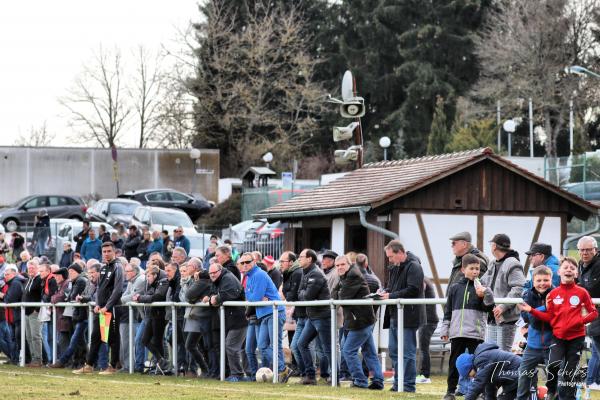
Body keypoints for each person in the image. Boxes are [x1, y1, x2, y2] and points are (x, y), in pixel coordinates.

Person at [519, 257, 598, 400]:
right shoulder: (552, 294)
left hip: (575, 338)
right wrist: (531, 310)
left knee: (568, 372)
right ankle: (551, 392)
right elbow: (549, 317)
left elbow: (593, 312)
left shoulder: (581, 292)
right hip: (554, 339)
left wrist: (580, 321)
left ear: (576, 273)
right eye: (565, 267)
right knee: (551, 368)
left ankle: (566, 396)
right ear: (559, 271)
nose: (569, 269)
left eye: (572, 268)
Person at [440, 254, 491, 400]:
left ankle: (480, 392)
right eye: (472, 268)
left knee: (478, 363)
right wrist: (445, 329)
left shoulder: (483, 288)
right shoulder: (455, 288)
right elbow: (448, 311)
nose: (475, 271)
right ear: (463, 269)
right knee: (454, 363)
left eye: (478, 269)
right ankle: (450, 391)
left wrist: (483, 297)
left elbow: (489, 308)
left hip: (475, 333)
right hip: (457, 333)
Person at [332, 254, 384, 390]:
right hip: (359, 320)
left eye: (342, 264)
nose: (340, 267)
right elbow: (334, 293)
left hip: (360, 321)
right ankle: (378, 381)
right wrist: (339, 291)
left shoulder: (353, 275)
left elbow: (342, 297)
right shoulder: (345, 276)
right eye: (337, 266)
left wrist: (339, 291)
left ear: (349, 264)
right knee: (369, 352)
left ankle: (360, 381)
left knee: (348, 351)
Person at [379, 239, 425, 392]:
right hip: (394, 315)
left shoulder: (414, 266)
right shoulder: (395, 267)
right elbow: (392, 287)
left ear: (400, 253)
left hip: (409, 316)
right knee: (393, 351)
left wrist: (390, 296)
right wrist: (384, 292)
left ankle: (408, 385)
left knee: (407, 352)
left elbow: (413, 289)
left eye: (391, 257)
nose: (389, 260)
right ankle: (398, 383)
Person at [240, 252, 292, 383]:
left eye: (248, 262)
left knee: (275, 345)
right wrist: (253, 297)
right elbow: (249, 297)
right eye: (242, 263)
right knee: (262, 346)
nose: (245, 265)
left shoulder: (259, 274)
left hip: (274, 312)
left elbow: (254, 298)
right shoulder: (250, 276)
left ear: (254, 262)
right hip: (263, 314)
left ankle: (282, 369)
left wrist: (253, 297)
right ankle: (282, 369)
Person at [73, 242, 124, 375]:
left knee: (113, 338)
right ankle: (89, 365)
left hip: (112, 308)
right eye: (104, 251)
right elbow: (99, 289)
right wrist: (97, 304)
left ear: (114, 252)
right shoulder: (103, 268)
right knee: (95, 336)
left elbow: (118, 290)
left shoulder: (118, 267)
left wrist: (107, 306)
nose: (106, 254)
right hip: (101, 309)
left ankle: (113, 366)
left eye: (109, 251)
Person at [515, 265, 555, 400]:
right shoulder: (527, 295)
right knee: (524, 374)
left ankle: (554, 396)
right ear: (533, 281)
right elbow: (528, 318)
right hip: (532, 344)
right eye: (539, 280)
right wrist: (545, 308)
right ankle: (521, 398)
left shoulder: (556, 294)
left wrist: (534, 310)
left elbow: (555, 317)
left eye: (546, 280)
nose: (542, 283)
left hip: (552, 344)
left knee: (555, 374)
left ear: (551, 279)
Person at [479, 233, 525, 351]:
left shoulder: (513, 263)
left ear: (494, 246)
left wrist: (503, 306)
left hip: (506, 319)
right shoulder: (493, 263)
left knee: (503, 355)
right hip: (492, 316)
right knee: (491, 354)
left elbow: (519, 288)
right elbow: (483, 282)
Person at [204, 263, 247, 382]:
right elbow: (213, 294)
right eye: (210, 273)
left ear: (220, 270)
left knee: (231, 346)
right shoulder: (219, 279)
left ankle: (238, 374)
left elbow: (230, 294)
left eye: (214, 273)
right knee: (235, 347)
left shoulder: (228, 278)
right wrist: (212, 298)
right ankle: (238, 374)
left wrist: (215, 299)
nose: (212, 275)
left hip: (238, 319)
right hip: (230, 319)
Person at [297, 248, 332, 385]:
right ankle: (310, 376)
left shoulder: (316, 274)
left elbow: (306, 296)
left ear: (309, 259)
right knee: (301, 344)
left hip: (322, 316)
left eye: (301, 256)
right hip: (312, 316)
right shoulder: (305, 273)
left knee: (327, 348)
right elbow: (299, 293)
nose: (299, 259)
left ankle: (333, 377)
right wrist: (302, 294)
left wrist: (302, 294)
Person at [49, 263, 89, 369]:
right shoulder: (74, 281)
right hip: (77, 315)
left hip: (81, 316)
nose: (70, 274)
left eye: (72, 272)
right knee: (79, 341)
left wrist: (69, 297)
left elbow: (72, 296)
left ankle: (67, 361)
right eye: (69, 272)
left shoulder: (80, 281)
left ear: (78, 272)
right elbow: (69, 297)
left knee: (76, 341)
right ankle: (79, 362)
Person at [134, 265, 170, 374]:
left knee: (158, 341)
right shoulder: (153, 284)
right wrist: (142, 297)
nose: (147, 279)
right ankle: (161, 360)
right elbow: (148, 295)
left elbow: (156, 297)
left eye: (149, 276)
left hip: (160, 315)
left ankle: (161, 366)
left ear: (155, 275)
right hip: (152, 314)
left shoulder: (163, 282)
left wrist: (140, 298)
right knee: (145, 339)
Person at [456, 342, 521, 400]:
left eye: (471, 375)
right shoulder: (485, 366)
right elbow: (490, 387)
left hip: (519, 373)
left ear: (469, 367)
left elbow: (478, 383)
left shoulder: (481, 359)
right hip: (516, 375)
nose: (472, 378)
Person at [576, 236, 600, 391]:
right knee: (596, 350)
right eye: (582, 250)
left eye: (588, 250)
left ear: (595, 250)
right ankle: (592, 382)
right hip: (592, 314)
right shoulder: (581, 265)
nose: (585, 253)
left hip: (596, 314)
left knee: (597, 350)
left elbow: (590, 289)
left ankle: (592, 381)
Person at [185, 266, 217, 378]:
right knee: (202, 345)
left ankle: (207, 370)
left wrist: (194, 297)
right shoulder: (206, 282)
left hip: (200, 317)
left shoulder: (202, 282)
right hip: (198, 317)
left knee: (194, 345)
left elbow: (188, 295)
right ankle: (207, 370)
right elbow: (187, 297)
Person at [280, 251, 305, 376]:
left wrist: (288, 294)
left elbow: (292, 295)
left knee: (300, 344)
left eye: (282, 261)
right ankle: (299, 369)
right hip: (295, 313)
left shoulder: (297, 273)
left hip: (301, 313)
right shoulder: (288, 273)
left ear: (290, 262)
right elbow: (285, 291)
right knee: (294, 343)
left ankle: (303, 370)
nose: (280, 264)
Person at [119, 263, 146, 373]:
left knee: (140, 341)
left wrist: (119, 300)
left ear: (134, 272)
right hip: (141, 316)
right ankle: (133, 366)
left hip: (143, 316)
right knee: (139, 340)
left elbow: (133, 297)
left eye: (128, 271)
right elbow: (126, 295)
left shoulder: (140, 280)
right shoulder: (131, 281)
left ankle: (138, 366)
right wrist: (122, 299)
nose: (125, 273)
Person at [416, 277, 438, 385]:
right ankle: (423, 374)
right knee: (423, 348)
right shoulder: (425, 279)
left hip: (427, 319)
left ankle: (424, 375)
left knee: (423, 348)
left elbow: (419, 293)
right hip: (427, 318)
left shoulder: (422, 280)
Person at [22, 260, 43, 367]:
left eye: (32, 268)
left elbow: (42, 296)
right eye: (29, 268)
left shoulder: (39, 280)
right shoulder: (28, 280)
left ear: (37, 268)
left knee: (36, 336)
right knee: (29, 337)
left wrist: (37, 309)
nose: (30, 270)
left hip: (34, 313)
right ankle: (33, 358)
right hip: (26, 312)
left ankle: (38, 359)